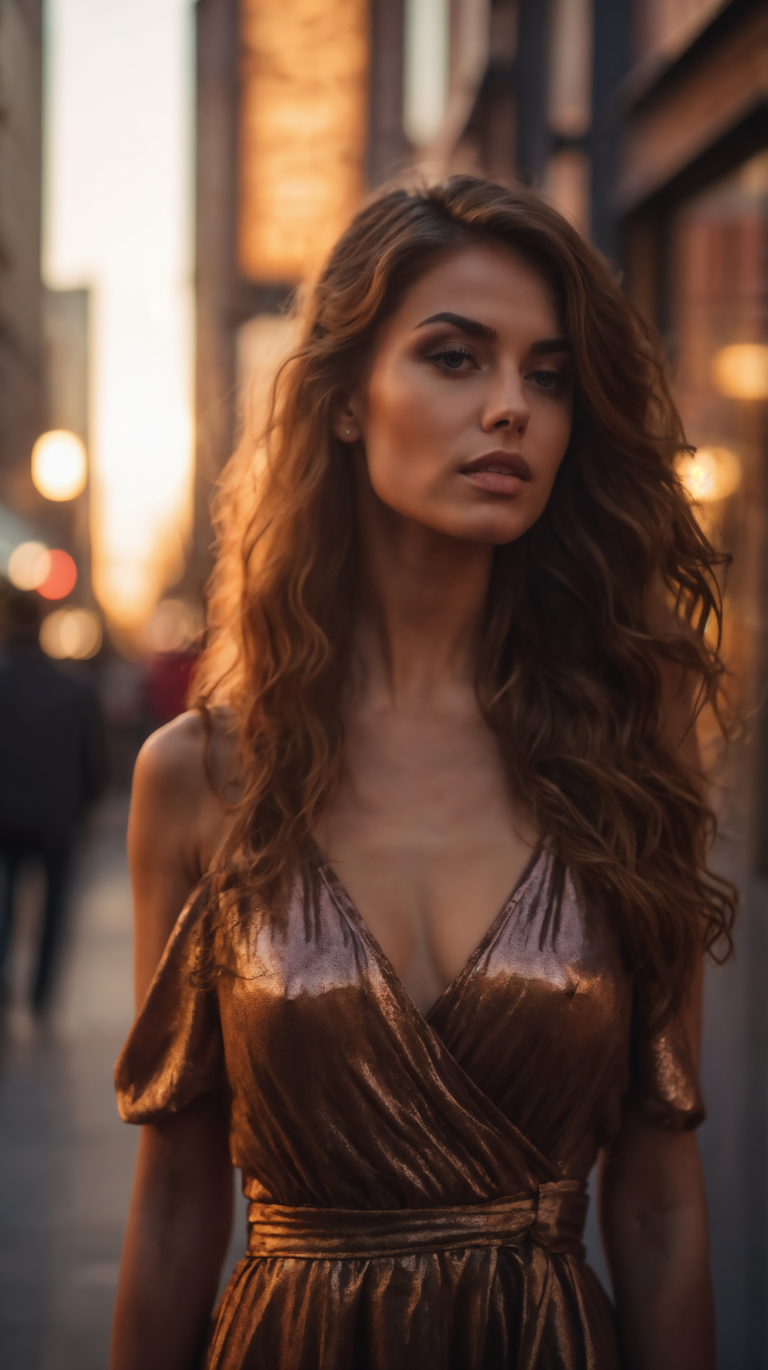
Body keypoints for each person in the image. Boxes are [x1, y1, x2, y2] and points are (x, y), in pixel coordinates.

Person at [110, 177, 735, 1370]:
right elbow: (180, 1191)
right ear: (347, 401)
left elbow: (656, 1196)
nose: (510, 407)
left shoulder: (626, 758)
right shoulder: (201, 775)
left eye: (547, 376)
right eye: (456, 358)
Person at [0, 583, 108, 1010]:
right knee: (53, 912)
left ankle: (4, 980)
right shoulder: (75, 690)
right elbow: (94, 763)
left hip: (4, 816)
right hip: (58, 819)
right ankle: (41, 995)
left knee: (4, 903)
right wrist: (86, 806)